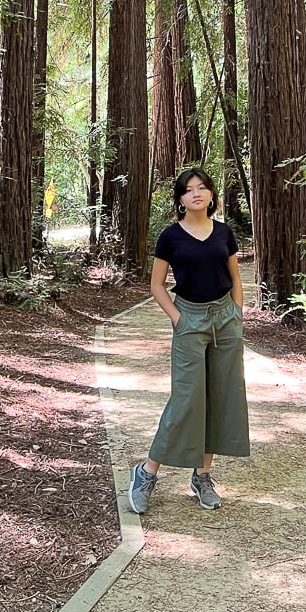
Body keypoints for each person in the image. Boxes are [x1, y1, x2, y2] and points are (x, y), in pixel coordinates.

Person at [128, 167, 250, 515]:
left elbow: (235, 277)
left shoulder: (224, 233)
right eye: (188, 190)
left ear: (211, 194)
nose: (196, 193)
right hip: (190, 320)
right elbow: (156, 286)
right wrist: (179, 320)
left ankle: (202, 476)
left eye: (202, 188)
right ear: (180, 199)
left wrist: (237, 314)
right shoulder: (170, 237)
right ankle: (146, 473)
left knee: (219, 397)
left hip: (225, 319)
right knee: (186, 399)